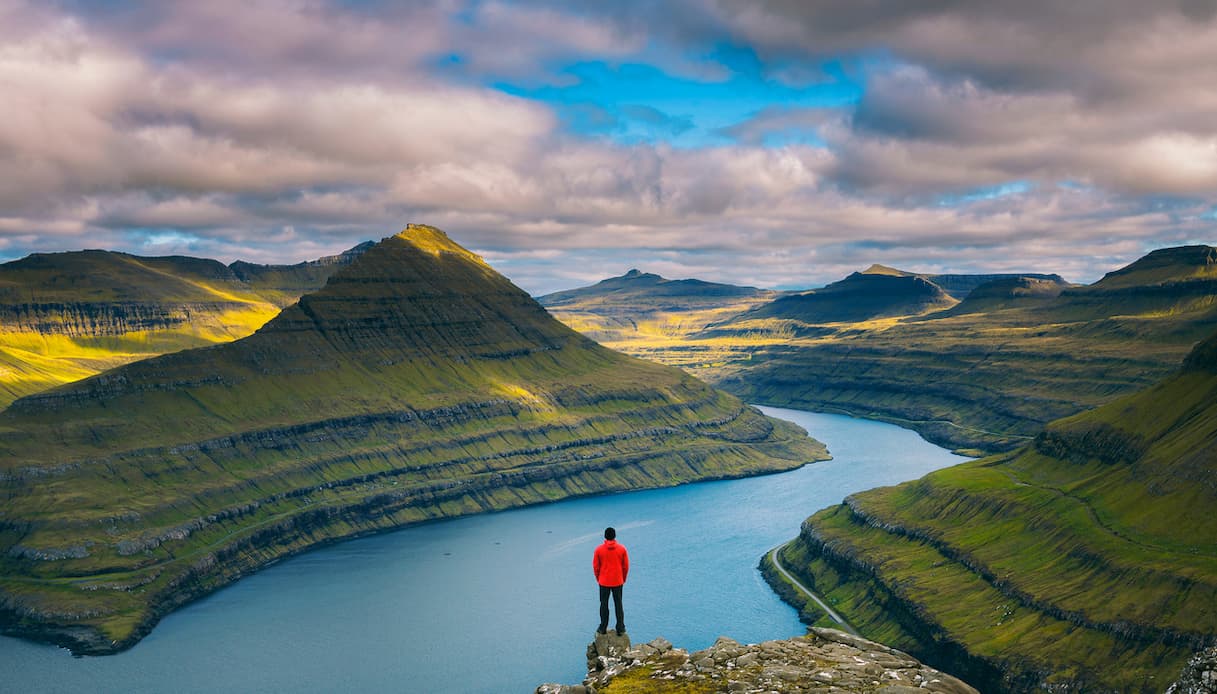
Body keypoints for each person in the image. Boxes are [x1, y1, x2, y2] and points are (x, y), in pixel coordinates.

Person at [593, 526, 629, 635]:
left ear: (605, 536)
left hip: (604, 582)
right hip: (618, 581)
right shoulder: (622, 549)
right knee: (618, 604)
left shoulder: (598, 550)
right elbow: (626, 566)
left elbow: (596, 567)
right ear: (614, 536)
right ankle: (620, 627)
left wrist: (598, 578)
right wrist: (623, 578)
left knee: (604, 604)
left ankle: (603, 627)